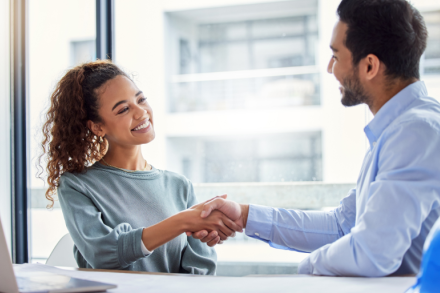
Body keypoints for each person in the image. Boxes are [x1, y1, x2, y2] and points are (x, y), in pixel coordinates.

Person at [188, 0, 440, 277]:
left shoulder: (416, 133)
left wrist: (305, 271)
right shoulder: (397, 130)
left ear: (369, 66)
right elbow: (342, 225)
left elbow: (371, 253)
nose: (330, 69)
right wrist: (245, 215)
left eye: (336, 56)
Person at [39, 60, 241, 274]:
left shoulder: (179, 186)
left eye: (141, 99)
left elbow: (202, 267)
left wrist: (202, 227)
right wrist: (183, 221)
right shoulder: (77, 185)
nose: (141, 112)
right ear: (97, 127)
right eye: (124, 109)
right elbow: (104, 254)